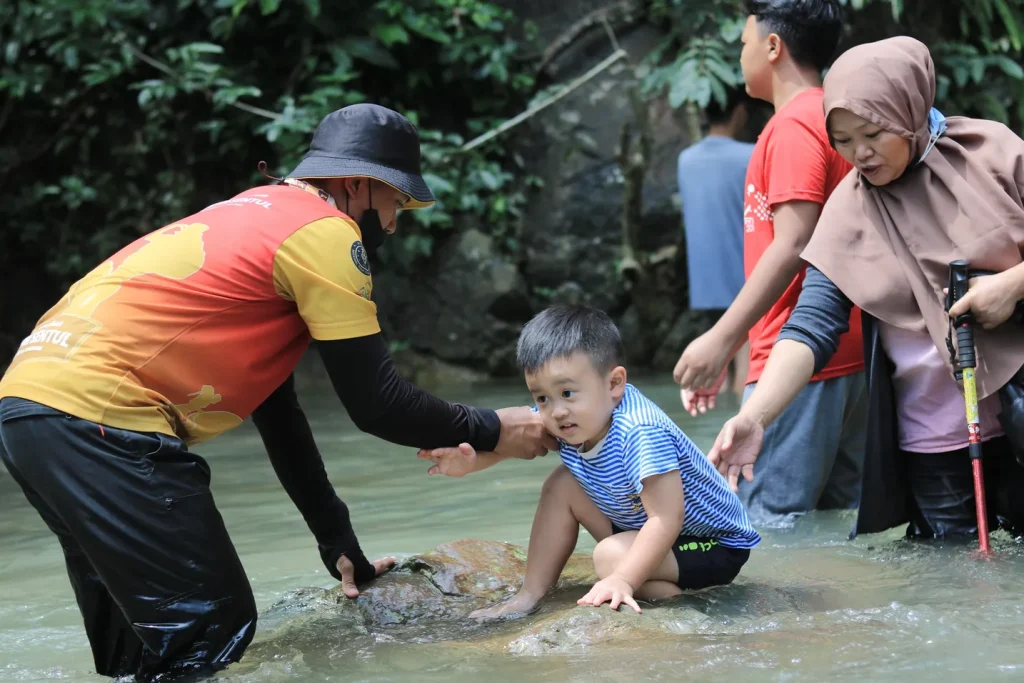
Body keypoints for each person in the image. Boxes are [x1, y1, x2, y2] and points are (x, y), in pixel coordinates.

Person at [0, 103, 555, 681]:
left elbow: (279, 413)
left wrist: (336, 542)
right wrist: (494, 428)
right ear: (357, 184)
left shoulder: (248, 217)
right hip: (102, 419)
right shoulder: (327, 233)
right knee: (211, 626)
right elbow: (378, 404)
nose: (393, 224)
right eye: (396, 203)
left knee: (139, 644)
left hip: (28, 408)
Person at [707, 36, 1024, 541]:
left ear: (910, 109)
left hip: (1018, 403)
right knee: (954, 580)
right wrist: (755, 417)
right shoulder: (849, 210)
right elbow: (811, 325)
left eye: (874, 132)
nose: (861, 154)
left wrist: (1011, 284)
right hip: (934, 438)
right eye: (844, 140)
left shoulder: (993, 154)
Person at [418, 305, 760, 618]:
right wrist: (470, 463)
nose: (556, 410)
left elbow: (666, 518)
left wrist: (623, 579)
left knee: (609, 558)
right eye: (542, 397)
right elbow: (514, 439)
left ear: (614, 384)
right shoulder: (572, 415)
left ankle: (681, 602)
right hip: (651, 529)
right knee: (562, 484)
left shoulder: (640, 431)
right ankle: (529, 595)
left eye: (567, 393)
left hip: (711, 543)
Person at [672, 0, 867, 525]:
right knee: (839, 523)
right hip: (848, 351)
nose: (740, 55)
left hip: (796, 357)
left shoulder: (795, 124)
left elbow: (792, 241)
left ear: (773, 47)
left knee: (766, 525)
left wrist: (720, 339)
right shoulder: (837, 119)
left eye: (743, 43)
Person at [677, 86, 756, 399]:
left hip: (705, 283)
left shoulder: (686, 160)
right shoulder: (750, 156)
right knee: (747, 361)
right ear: (738, 112)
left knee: (714, 365)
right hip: (744, 276)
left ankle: (711, 431)